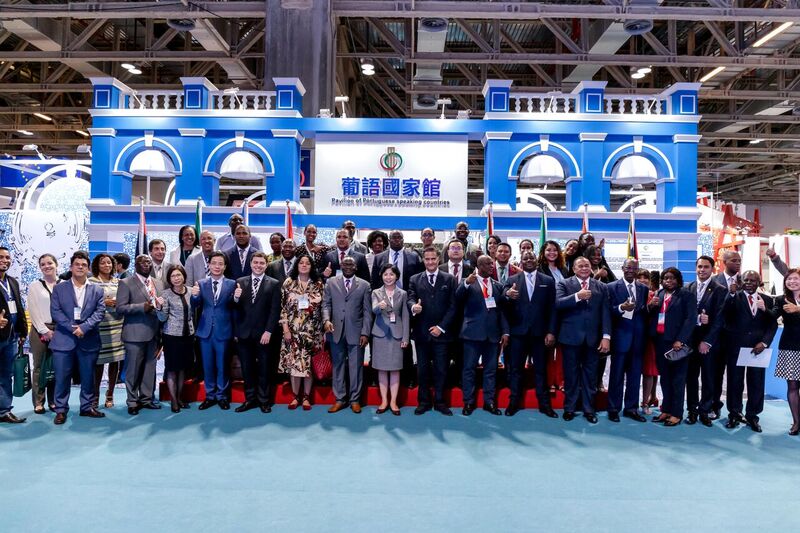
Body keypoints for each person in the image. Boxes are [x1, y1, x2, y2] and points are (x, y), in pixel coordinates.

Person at [50, 251, 106, 424]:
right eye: (77, 264)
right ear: (71, 267)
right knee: (62, 377)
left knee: (88, 376)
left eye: (84, 265)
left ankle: (87, 407)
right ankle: (60, 410)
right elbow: (55, 312)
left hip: (88, 339)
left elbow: (100, 312)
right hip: (64, 339)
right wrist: (73, 328)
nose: (80, 267)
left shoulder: (97, 289)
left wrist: (85, 327)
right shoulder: (59, 288)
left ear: (88, 268)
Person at [555, 256, 611, 424]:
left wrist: (606, 337)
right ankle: (569, 408)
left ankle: (589, 410)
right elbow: (558, 304)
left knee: (591, 377)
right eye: (580, 266)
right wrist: (577, 296)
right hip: (570, 338)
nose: (584, 268)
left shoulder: (601, 286)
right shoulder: (564, 284)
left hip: (593, 340)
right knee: (571, 375)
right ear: (574, 269)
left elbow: (606, 313)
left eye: (587, 265)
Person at [502, 251, 557, 417]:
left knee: (541, 370)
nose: (528, 260)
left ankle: (544, 405)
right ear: (521, 261)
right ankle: (513, 403)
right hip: (518, 333)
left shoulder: (548, 280)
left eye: (531, 257)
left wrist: (551, 331)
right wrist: (507, 295)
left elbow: (552, 309)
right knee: (516, 370)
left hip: (540, 334)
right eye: (525, 258)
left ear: (536, 260)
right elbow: (503, 304)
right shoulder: (512, 280)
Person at [722, 270, 777, 433]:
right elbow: (725, 314)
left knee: (757, 383)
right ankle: (734, 414)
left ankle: (753, 416)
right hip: (736, 347)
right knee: (734, 382)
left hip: (758, 349)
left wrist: (765, 343)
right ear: (741, 282)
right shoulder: (734, 297)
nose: (749, 283)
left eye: (753, 280)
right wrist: (731, 294)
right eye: (746, 280)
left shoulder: (767, 300)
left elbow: (772, 324)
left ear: (759, 282)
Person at [456, 255, 509, 416]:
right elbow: (457, 298)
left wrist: (505, 331)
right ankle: (468, 402)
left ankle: (489, 402)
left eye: (492, 264)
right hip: (472, 334)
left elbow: (501, 311)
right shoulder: (467, 282)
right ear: (478, 266)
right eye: (487, 264)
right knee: (469, 369)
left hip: (492, 335)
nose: (491, 266)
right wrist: (466, 283)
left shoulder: (497, 285)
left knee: (491, 370)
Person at [371, 230, 423, 387]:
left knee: (405, 340)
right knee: (383, 341)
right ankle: (378, 376)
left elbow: (418, 281)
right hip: (384, 306)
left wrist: (414, 303)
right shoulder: (379, 257)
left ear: (403, 239)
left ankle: (408, 377)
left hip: (406, 304)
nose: (396, 239)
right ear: (389, 240)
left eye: (399, 237)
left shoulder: (413, 256)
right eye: (393, 237)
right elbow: (375, 281)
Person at [408, 247, 456, 416]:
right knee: (422, 370)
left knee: (441, 369)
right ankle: (424, 402)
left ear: (438, 259)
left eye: (433, 259)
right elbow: (410, 298)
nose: (430, 262)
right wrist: (413, 307)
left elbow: (453, 306)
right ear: (423, 260)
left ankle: (440, 402)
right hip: (421, 333)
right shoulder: (414, 279)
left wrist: (441, 327)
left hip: (442, 334)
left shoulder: (449, 279)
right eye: (427, 259)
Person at [233, 252, 282, 414]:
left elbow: (275, 310)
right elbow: (234, 309)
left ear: (266, 265)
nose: (258, 265)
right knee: (247, 369)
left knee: (264, 369)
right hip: (244, 334)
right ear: (250, 263)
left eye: (262, 263)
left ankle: (264, 400)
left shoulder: (274, 283)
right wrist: (235, 299)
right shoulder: (240, 282)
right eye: (256, 262)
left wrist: (269, 331)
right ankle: (250, 399)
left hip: (264, 335)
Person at [323, 256, 372, 414]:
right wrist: (326, 320)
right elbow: (326, 304)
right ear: (341, 265)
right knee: (338, 366)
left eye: (351, 264)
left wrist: (365, 332)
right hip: (335, 331)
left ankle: (355, 400)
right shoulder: (331, 282)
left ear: (356, 267)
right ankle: (339, 399)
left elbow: (367, 312)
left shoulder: (364, 285)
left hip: (356, 333)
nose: (348, 266)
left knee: (356, 367)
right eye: (345, 264)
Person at [648, 267, 696, 427]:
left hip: (677, 344)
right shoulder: (659, 294)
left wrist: (680, 340)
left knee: (677, 380)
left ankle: (676, 413)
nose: (669, 281)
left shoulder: (686, 295)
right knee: (665, 379)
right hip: (660, 341)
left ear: (678, 280)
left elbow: (690, 319)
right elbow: (653, 316)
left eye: (672, 278)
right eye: (666, 278)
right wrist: (651, 306)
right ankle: (666, 410)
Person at [116, 254, 163, 415]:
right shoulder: (126, 282)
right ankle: (132, 401)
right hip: (134, 334)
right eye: (142, 262)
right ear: (135, 265)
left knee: (150, 369)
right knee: (133, 370)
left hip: (154, 333)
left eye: (148, 262)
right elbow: (120, 308)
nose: (146, 264)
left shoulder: (158, 283)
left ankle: (146, 399)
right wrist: (142, 307)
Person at [191, 251, 236, 410]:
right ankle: (210, 396)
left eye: (220, 264)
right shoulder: (201, 283)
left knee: (222, 365)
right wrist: (194, 296)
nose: (217, 266)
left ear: (225, 266)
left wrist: (237, 298)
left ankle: (222, 396)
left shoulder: (232, 284)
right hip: (205, 331)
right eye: (214, 263)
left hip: (224, 330)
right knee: (207, 365)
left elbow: (234, 307)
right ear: (209, 265)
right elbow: (195, 305)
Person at [605, 258, 649, 422]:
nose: (631, 271)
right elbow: (607, 311)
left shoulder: (643, 289)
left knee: (635, 376)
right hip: (620, 338)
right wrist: (621, 308)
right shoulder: (611, 287)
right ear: (622, 268)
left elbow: (643, 312)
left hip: (638, 339)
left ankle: (631, 409)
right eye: (628, 268)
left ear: (637, 270)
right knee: (616, 376)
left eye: (634, 268)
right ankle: (613, 409)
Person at [685, 256, 727, 427]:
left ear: (712, 269)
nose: (702, 270)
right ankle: (692, 411)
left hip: (709, 343)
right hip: (690, 342)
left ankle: (705, 411)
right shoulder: (688, 288)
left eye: (706, 267)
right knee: (691, 378)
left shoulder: (720, 289)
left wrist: (707, 341)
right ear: (696, 268)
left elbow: (720, 319)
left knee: (709, 378)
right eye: (700, 266)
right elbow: (684, 315)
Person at [279, 255, 324, 410]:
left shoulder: (318, 284)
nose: (304, 265)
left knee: (308, 365)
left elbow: (323, 308)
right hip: (293, 331)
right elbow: (283, 308)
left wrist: (323, 331)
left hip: (313, 332)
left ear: (311, 266)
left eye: (307, 263)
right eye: (301, 263)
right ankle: (295, 396)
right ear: (297, 265)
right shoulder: (289, 283)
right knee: (295, 365)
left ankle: (306, 397)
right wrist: (285, 329)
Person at [370, 263, 410, 415]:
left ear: (397, 276)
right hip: (380, 335)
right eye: (385, 274)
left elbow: (405, 316)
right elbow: (374, 310)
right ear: (381, 276)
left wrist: (405, 337)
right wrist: (378, 307)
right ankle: (384, 401)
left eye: (391, 274)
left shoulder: (403, 293)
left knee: (395, 369)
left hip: (397, 335)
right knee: (381, 369)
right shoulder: (376, 292)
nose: (388, 277)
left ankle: (393, 401)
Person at [88, 253, 125, 410]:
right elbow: (86, 302)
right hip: (99, 326)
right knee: (99, 362)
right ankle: (95, 396)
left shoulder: (119, 282)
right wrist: (104, 302)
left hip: (117, 324)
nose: (106, 265)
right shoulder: (91, 282)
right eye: (103, 263)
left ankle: (110, 394)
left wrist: (119, 303)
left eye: (109, 263)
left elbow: (125, 300)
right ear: (97, 265)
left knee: (115, 361)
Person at [156, 265, 194, 413]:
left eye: (179, 275)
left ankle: (179, 397)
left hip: (188, 335)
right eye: (173, 276)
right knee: (172, 369)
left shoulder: (191, 291)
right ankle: (173, 400)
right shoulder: (165, 294)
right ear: (169, 279)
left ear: (184, 276)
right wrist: (159, 307)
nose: (176, 278)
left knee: (183, 368)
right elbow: (162, 318)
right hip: (171, 336)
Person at [711, 249, 742, 419]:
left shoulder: (746, 281)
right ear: (724, 262)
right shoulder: (714, 281)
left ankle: (735, 411)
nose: (737, 263)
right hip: (717, 337)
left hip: (737, 338)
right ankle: (714, 406)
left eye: (739, 261)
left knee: (736, 377)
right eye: (734, 260)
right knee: (715, 375)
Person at [27, 253, 59, 414]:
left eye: (49, 263)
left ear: (56, 264)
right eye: (43, 264)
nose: (47, 266)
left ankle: (53, 400)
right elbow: (33, 310)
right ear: (40, 268)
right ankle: (38, 402)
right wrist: (44, 330)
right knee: (39, 367)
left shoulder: (64, 284)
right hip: (39, 329)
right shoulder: (35, 286)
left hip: (60, 330)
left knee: (56, 367)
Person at [0, 247, 28, 424]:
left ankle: (4, 410)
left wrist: (23, 331)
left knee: (5, 375)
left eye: (7, 257)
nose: (5, 260)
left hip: (10, 338)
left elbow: (18, 307)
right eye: (1, 257)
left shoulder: (12, 282)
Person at [537, 240, 567, 394]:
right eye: (548, 250)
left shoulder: (564, 269)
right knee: (548, 349)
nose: (552, 253)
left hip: (563, 314)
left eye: (555, 250)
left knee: (561, 351)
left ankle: (561, 381)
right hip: (546, 314)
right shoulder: (539, 269)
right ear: (543, 252)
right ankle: (549, 382)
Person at [773, 268, 800, 435]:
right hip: (790, 347)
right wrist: (762, 308)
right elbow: (772, 315)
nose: (792, 282)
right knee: (792, 385)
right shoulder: (781, 299)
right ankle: (796, 422)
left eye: (795, 278)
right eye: (789, 279)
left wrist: (798, 309)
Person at [638, 269, 659, 414]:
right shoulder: (631, 293)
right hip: (635, 336)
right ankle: (651, 398)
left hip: (650, 337)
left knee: (650, 370)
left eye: (645, 277)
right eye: (639, 277)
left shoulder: (654, 295)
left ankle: (646, 402)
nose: (643, 280)